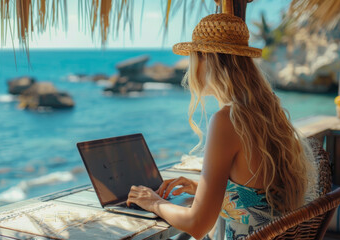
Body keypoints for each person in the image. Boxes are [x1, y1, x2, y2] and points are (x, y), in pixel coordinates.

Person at [127, 13, 315, 240]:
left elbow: (197, 225)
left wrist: (154, 202)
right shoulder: (266, 110)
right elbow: (257, 193)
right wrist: (200, 188)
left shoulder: (228, 120)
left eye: (192, 57)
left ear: (204, 56)